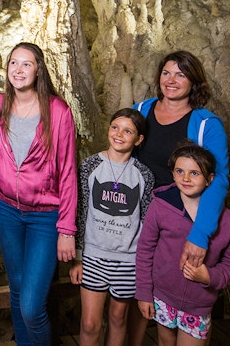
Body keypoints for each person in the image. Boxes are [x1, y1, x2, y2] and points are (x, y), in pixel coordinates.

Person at [129, 50, 229, 345]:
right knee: (138, 294)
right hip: (139, 217)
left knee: (182, 296)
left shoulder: (205, 124)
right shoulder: (141, 110)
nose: (171, 80)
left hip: (181, 221)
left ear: (193, 81)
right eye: (166, 73)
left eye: (180, 74)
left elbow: (218, 179)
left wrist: (200, 235)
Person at [0, 42, 78, 346]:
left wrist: (67, 229)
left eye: (26, 64)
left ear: (38, 69)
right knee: (16, 291)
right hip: (6, 211)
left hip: (45, 217)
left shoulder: (57, 111)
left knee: (31, 304)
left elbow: (68, 172)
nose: (18, 69)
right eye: (14, 63)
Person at [135, 140, 230, 345]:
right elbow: (145, 250)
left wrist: (209, 277)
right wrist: (143, 293)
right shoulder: (161, 206)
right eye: (179, 171)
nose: (185, 178)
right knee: (165, 341)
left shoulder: (229, 222)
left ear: (210, 179)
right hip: (162, 296)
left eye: (194, 173)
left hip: (198, 304)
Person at [69, 108, 155, 346]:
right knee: (89, 323)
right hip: (93, 257)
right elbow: (80, 211)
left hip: (128, 260)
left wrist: (144, 264)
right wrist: (77, 258)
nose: (119, 134)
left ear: (138, 140)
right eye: (115, 127)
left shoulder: (143, 175)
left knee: (118, 319)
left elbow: (146, 220)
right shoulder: (90, 166)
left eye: (128, 131)